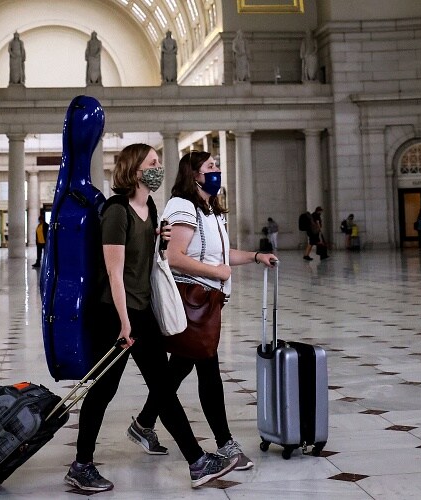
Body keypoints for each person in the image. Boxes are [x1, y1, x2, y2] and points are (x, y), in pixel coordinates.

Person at [64, 144, 239, 492]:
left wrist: (160, 242)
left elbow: (149, 261)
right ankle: (81, 465)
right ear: (134, 169)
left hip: (141, 312)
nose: (159, 167)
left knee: (162, 388)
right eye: (153, 163)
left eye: (158, 162)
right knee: (103, 391)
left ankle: (197, 462)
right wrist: (124, 323)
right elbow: (114, 274)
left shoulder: (150, 208)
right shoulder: (117, 212)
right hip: (115, 314)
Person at [129, 150, 276, 471]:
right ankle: (226, 445)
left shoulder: (211, 209)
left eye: (217, 165)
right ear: (194, 174)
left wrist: (254, 256)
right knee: (208, 369)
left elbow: (220, 254)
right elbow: (175, 256)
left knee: (179, 367)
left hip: (208, 302)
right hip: (191, 299)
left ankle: (143, 423)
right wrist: (217, 274)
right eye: (210, 167)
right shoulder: (183, 206)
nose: (217, 170)